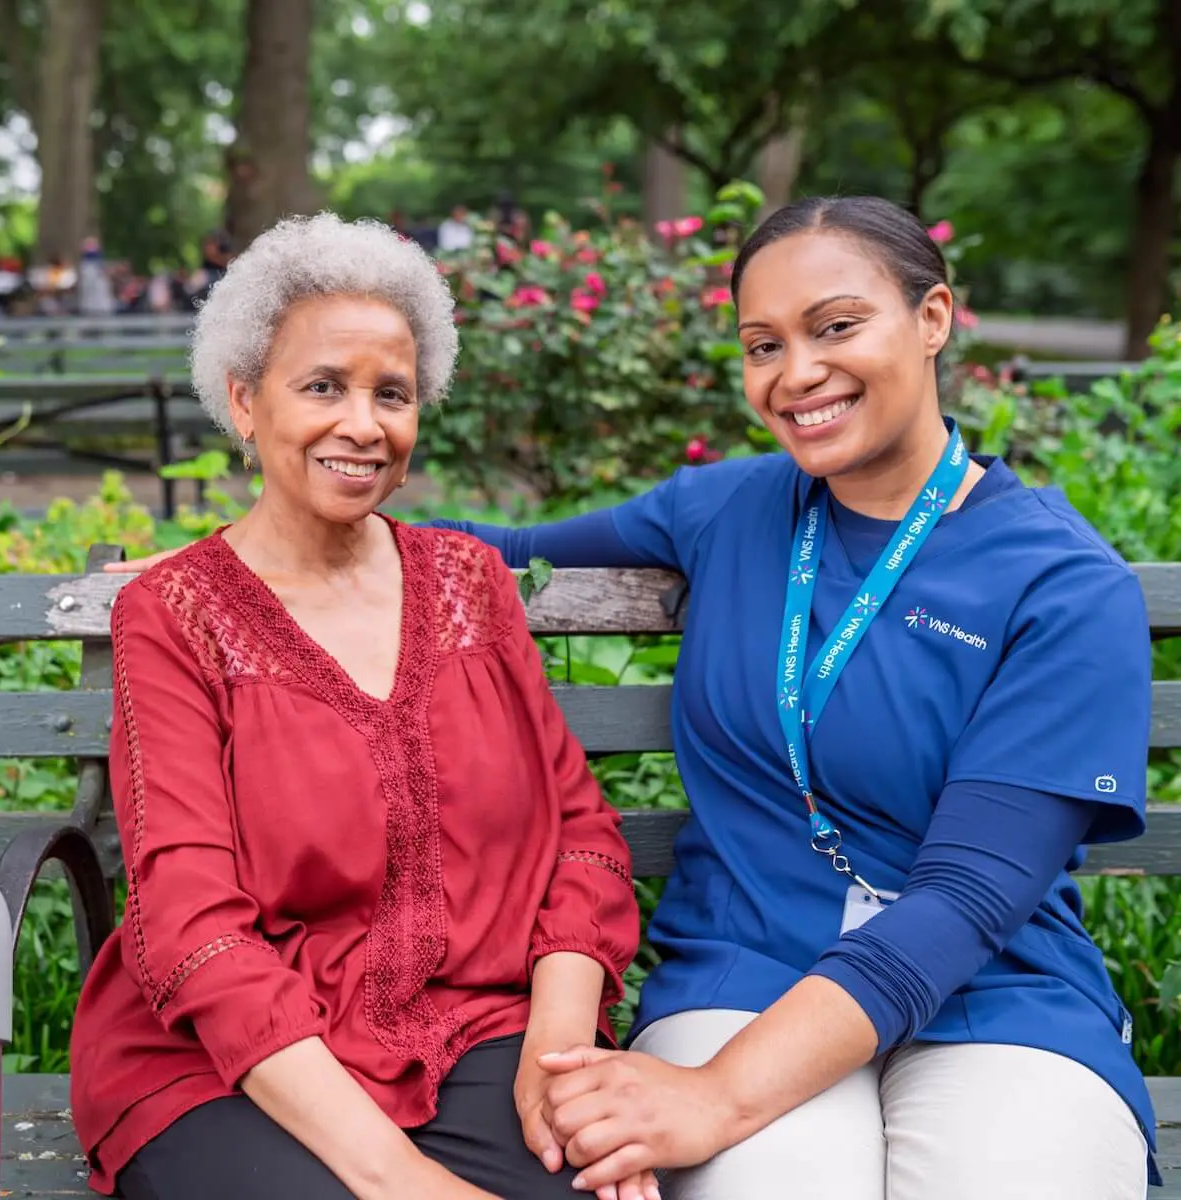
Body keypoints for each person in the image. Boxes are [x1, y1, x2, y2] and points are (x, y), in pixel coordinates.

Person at [107, 196, 1160, 1200]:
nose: (799, 373)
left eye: (836, 326)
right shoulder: (734, 509)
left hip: (992, 994)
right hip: (749, 971)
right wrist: (221, 583)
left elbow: (968, 900)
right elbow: (479, 555)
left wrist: (706, 1096)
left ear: (933, 318)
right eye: (763, 345)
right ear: (244, 400)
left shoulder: (1062, 584)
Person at [73, 212, 649, 1200]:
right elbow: (191, 926)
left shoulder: (468, 582)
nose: (364, 425)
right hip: (231, 1059)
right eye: (323, 387)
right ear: (245, 402)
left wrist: (557, 1061)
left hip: (471, 1025)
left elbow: (581, 834)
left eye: (394, 393)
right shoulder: (173, 618)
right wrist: (399, 1183)